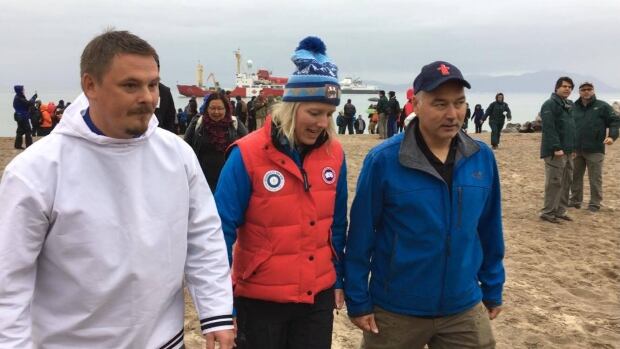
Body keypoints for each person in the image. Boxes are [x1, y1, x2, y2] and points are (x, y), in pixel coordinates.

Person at [0, 30, 234, 349]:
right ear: (90, 85)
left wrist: (216, 313)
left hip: (164, 339)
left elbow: (203, 236)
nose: (148, 98)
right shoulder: (35, 171)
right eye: (130, 85)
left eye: (153, 85)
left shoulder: (176, 154)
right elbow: (9, 280)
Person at [345, 61, 504, 349]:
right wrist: (358, 300)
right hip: (396, 309)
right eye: (440, 104)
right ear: (415, 104)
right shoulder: (383, 160)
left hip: (463, 304)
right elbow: (361, 235)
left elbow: (489, 228)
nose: (452, 114)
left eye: (459, 103)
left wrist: (493, 286)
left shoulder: (481, 158)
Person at [215, 36, 347, 349]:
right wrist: (222, 306)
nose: (322, 123)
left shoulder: (335, 154)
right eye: (314, 112)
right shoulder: (246, 155)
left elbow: (337, 226)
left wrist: (338, 278)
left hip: (317, 296)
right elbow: (219, 230)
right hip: (260, 297)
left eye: (329, 114)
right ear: (292, 107)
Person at [568, 82, 620, 212]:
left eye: (589, 89)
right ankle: (575, 201)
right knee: (575, 176)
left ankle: (595, 203)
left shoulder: (602, 106)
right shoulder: (573, 107)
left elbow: (614, 121)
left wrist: (612, 137)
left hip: (595, 148)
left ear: (593, 91)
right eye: (583, 89)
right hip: (576, 148)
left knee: (595, 178)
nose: (586, 92)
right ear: (579, 92)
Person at [185, 92, 248, 192]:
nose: (216, 112)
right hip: (202, 179)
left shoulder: (235, 123)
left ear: (226, 109)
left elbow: (248, 146)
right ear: (206, 108)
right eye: (212, 108)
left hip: (229, 179)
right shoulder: (198, 123)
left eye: (220, 108)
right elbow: (185, 147)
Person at [539, 76, 575, 223]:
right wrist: (556, 147)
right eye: (564, 86)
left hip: (568, 151)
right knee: (555, 182)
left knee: (566, 181)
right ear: (557, 88)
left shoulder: (567, 105)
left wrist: (572, 148)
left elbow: (571, 128)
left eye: (570, 87)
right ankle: (548, 212)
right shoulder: (549, 104)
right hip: (555, 152)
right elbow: (549, 128)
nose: (567, 89)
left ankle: (560, 210)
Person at [12, 85, 37, 149]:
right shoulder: (19, 98)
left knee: (20, 131)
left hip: (19, 116)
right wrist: (34, 97)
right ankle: (29, 146)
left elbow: (26, 103)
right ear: (20, 90)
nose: (24, 90)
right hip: (23, 117)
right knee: (28, 131)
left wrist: (32, 99)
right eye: (23, 89)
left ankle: (17, 145)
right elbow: (29, 103)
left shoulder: (18, 97)